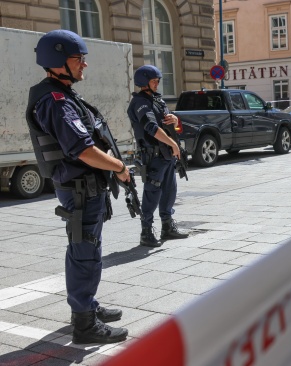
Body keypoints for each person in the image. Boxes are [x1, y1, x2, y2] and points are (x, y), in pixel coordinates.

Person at [26, 29, 128, 344]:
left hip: (85, 187)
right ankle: (84, 325)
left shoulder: (64, 93)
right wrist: (120, 168)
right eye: (78, 58)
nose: (84, 65)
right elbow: (83, 150)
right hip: (80, 189)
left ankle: (87, 306)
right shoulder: (55, 100)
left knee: (88, 251)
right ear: (58, 61)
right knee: (84, 253)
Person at [127, 65, 189, 247]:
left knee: (169, 191)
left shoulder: (157, 101)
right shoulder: (140, 103)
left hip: (166, 155)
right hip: (153, 156)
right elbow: (151, 127)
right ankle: (146, 232)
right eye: (154, 81)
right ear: (143, 82)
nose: (157, 84)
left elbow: (169, 123)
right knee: (152, 193)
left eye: (158, 81)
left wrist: (175, 120)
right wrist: (173, 144)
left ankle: (167, 227)